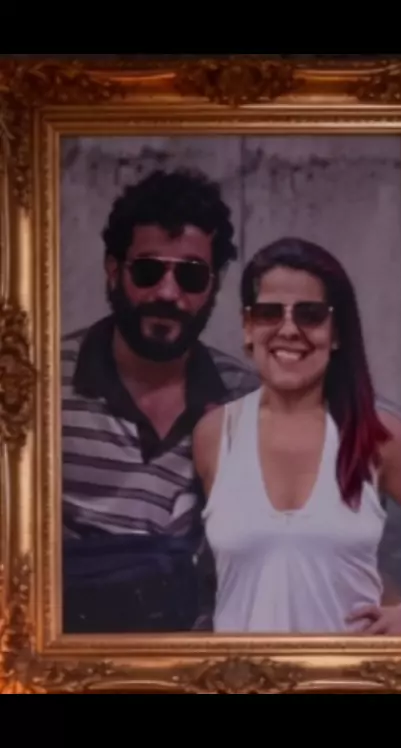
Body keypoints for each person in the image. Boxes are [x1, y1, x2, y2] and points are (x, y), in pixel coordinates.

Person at [61, 168, 259, 633]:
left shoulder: (245, 398)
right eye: (148, 271)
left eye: (191, 276)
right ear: (114, 270)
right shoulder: (40, 384)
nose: (168, 293)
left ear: (214, 283)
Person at [192, 237, 401, 635]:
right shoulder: (214, 435)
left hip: (353, 671)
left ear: (336, 332)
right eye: (269, 313)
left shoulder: (380, 434)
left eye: (310, 314)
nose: (288, 329)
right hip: (236, 670)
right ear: (248, 326)